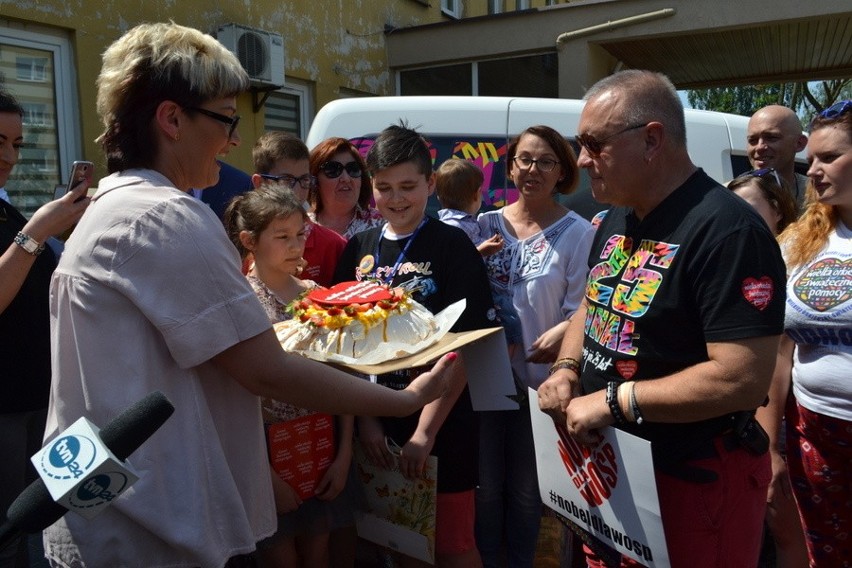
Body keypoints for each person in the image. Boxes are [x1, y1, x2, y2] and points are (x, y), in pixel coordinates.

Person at [41, 22, 456, 568]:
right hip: (148, 529)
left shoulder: (111, 208)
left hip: (100, 510)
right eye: (225, 119)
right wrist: (404, 400)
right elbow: (265, 370)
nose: (235, 139)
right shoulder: (166, 217)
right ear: (171, 119)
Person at [537, 69, 786, 567]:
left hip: (691, 480)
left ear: (652, 139)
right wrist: (566, 367)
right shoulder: (619, 214)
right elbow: (595, 299)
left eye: (593, 144)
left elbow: (740, 378)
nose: (581, 160)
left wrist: (613, 400)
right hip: (612, 473)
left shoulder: (730, 232)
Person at [333, 123, 497, 568]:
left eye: (408, 186)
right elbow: (343, 347)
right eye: (384, 187)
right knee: (398, 541)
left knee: (452, 544)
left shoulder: (452, 246)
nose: (396, 198)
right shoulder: (357, 250)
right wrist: (367, 421)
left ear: (430, 184)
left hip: (442, 424)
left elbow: (466, 344)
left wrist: (426, 431)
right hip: (376, 424)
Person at [224, 185, 363, 568]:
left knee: (318, 554)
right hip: (264, 450)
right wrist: (265, 474)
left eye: (300, 234)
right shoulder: (242, 302)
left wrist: (344, 452)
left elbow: (342, 372)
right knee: (280, 558)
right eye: (281, 237)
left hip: (322, 442)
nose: (295, 246)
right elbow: (235, 396)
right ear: (249, 240)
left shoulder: (318, 295)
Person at [474, 125, 593, 568]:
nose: (533, 170)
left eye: (546, 162)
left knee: (528, 492)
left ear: (562, 171)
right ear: (510, 166)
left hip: (538, 386)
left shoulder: (579, 232)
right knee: (485, 488)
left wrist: (563, 332)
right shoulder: (484, 224)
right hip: (483, 382)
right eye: (524, 159)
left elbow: (585, 303)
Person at [0, 87, 90, 568]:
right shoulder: (20, 222)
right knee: (12, 531)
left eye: (16, 143)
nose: (10, 156)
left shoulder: (6, 208)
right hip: (6, 410)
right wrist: (35, 233)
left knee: (49, 519)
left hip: (39, 398)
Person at [763, 99, 852, 567]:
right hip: (814, 436)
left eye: (830, 157)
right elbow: (779, 353)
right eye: (811, 159)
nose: (813, 171)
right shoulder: (798, 242)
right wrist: (772, 448)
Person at [727, 169, 807, 568]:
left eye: (746, 207)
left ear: (776, 209)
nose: (734, 217)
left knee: (788, 530)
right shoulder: (728, 259)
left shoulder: (798, 263)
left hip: (790, 423)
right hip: (739, 426)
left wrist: (772, 445)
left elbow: (781, 354)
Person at [251, 131, 346, 286]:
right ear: (260, 183)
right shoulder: (241, 245)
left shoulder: (333, 245)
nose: (296, 190)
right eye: (286, 180)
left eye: (304, 179)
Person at [309, 137, 383, 239]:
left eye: (353, 169)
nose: (346, 178)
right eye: (333, 170)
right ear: (314, 179)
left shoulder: (381, 224)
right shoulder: (301, 227)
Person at [434, 158, 503, 256]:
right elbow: (451, 262)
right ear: (476, 195)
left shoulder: (464, 222)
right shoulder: (453, 227)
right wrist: (480, 252)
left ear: (438, 197)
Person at [747, 105, 809, 209]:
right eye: (753, 140)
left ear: (799, 143)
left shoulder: (820, 195)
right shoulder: (731, 196)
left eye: (771, 138)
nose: (759, 147)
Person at [728, 168, 798, 235]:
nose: (737, 219)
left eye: (747, 210)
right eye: (732, 211)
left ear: (778, 211)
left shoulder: (797, 246)